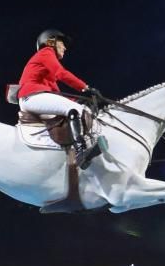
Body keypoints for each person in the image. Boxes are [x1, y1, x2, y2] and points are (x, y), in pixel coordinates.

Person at [18, 29, 103, 169]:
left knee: (76, 107)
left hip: (34, 97)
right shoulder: (46, 53)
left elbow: (56, 94)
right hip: (32, 96)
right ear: (51, 42)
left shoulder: (46, 68)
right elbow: (61, 73)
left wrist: (80, 100)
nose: (64, 47)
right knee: (74, 109)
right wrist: (86, 88)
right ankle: (81, 150)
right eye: (62, 43)